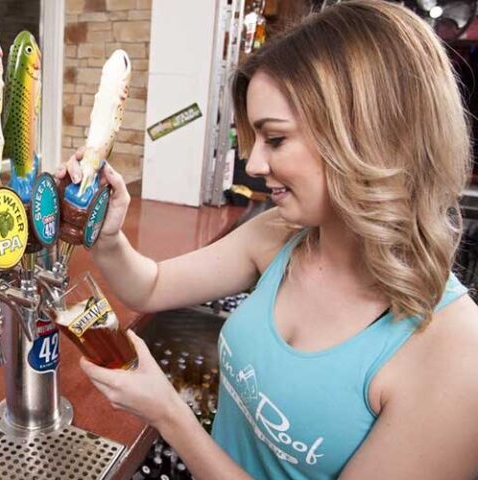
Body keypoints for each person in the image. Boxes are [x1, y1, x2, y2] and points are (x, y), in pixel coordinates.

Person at [54, 1, 478, 479]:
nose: (253, 165)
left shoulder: (456, 356)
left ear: (367, 137)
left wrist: (168, 413)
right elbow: (149, 287)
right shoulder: (285, 236)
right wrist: (109, 237)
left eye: (275, 140)